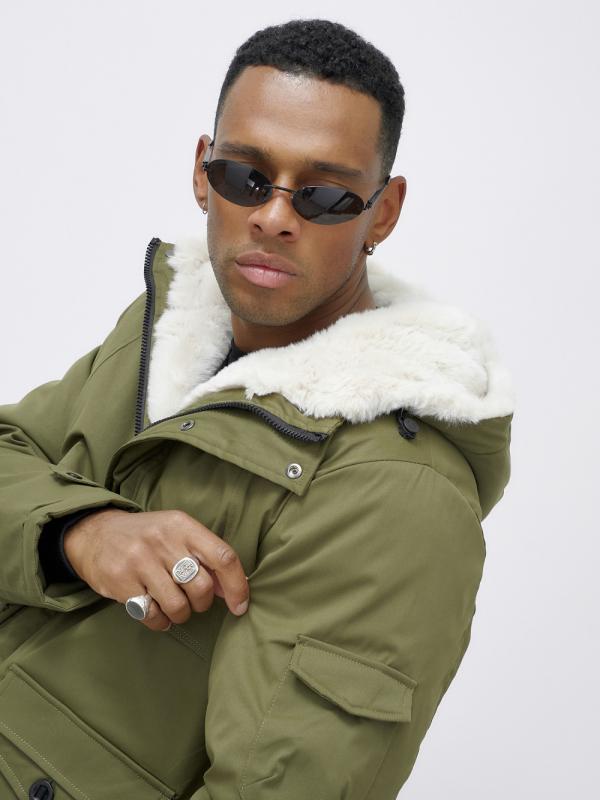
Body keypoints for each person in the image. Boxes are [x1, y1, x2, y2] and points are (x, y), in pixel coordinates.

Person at [0, 17, 515, 800]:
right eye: (246, 176)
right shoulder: (172, 327)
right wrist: (80, 532)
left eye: (325, 195)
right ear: (201, 171)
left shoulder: (400, 492)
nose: (273, 216)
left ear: (382, 212)